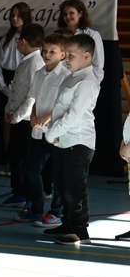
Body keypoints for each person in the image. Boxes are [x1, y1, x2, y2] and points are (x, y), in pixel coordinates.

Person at [41, 35, 101, 244]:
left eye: (72, 55)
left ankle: (80, 230)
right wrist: (54, 131)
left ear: (87, 56)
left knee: (75, 187)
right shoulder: (72, 76)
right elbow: (60, 108)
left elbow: (74, 116)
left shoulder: (87, 82)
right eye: (66, 54)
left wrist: (51, 133)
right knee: (62, 184)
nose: (67, 59)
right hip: (64, 139)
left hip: (78, 141)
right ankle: (68, 223)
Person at [17, 32, 67, 226]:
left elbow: (65, 104)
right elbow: (35, 98)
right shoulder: (39, 73)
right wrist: (33, 115)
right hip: (38, 130)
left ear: (62, 54)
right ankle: (36, 208)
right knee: (31, 170)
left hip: (57, 131)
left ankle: (57, 212)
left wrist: (48, 116)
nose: (47, 54)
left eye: (52, 51)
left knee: (58, 174)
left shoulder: (65, 76)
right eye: (45, 50)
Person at [2, 24, 46, 212]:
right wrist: (9, 110)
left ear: (24, 41)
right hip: (17, 118)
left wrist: (18, 115)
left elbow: (32, 96)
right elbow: (15, 90)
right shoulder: (26, 61)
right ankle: (19, 191)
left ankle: (29, 197)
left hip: (27, 121)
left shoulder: (35, 63)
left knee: (26, 160)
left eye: (18, 40)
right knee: (15, 157)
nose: (17, 43)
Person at [59, 0, 104, 84]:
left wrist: (94, 83)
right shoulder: (59, 35)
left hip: (84, 81)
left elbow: (98, 64)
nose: (68, 17)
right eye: (65, 14)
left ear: (80, 14)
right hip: (62, 80)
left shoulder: (92, 35)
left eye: (71, 13)